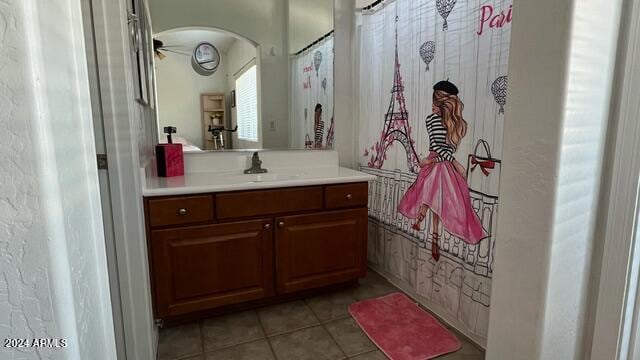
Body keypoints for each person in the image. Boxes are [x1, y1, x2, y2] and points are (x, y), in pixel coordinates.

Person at [397, 80, 487, 261]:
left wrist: (436, 160)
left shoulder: (454, 123)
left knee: (437, 196)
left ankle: (430, 230)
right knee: (435, 191)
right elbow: (437, 147)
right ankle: (431, 231)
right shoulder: (432, 120)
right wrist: (452, 162)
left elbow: (445, 150)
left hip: (439, 162)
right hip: (439, 162)